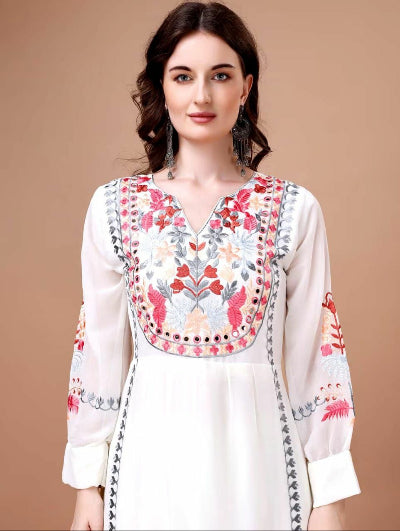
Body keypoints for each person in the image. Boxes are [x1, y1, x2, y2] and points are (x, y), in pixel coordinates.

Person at [61, 2, 362, 530]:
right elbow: (98, 356)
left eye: (220, 75)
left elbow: (318, 360)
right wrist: (88, 486)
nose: (201, 95)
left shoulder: (293, 210)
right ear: (162, 87)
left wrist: (329, 498)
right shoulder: (113, 208)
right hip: (147, 472)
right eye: (183, 76)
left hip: (261, 472)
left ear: (245, 87)